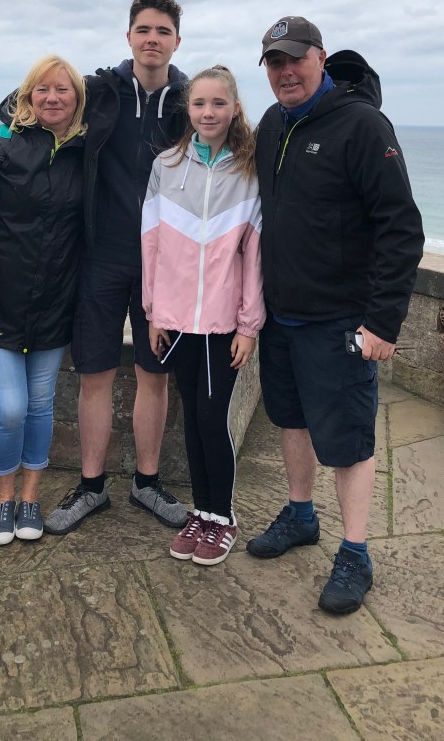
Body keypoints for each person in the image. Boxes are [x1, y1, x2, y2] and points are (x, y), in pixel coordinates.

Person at [247, 17, 424, 614]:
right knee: (291, 421)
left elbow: (401, 228)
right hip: (282, 315)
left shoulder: (363, 125)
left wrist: (383, 323)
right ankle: (301, 515)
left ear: (320, 58)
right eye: (274, 62)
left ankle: (355, 553)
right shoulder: (272, 124)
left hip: (341, 321)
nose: (285, 72)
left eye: (295, 58)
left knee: (348, 441)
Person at [45, 0, 189, 536]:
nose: (153, 39)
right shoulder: (98, 91)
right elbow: (22, 104)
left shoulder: (188, 100)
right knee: (95, 374)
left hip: (162, 263)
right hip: (101, 257)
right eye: (143, 29)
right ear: (128, 37)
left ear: (177, 41)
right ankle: (91, 487)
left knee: (155, 375)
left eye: (163, 31)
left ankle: (146, 483)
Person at [0, 55, 87, 546]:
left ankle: (31, 498)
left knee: (40, 406)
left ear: (77, 99)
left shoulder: (85, 152)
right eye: (42, 89)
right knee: (9, 409)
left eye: (63, 90)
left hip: (54, 305)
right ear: (27, 95)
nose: (52, 98)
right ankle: (3, 499)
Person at [142, 66, 265, 565]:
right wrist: (154, 312)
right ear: (187, 109)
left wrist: (248, 325)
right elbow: (151, 243)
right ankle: (202, 511)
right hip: (176, 322)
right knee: (192, 420)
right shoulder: (166, 165)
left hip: (222, 324)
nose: (208, 113)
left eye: (218, 103)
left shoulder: (250, 171)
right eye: (199, 104)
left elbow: (254, 255)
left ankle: (223, 518)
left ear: (234, 108)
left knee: (213, 420)